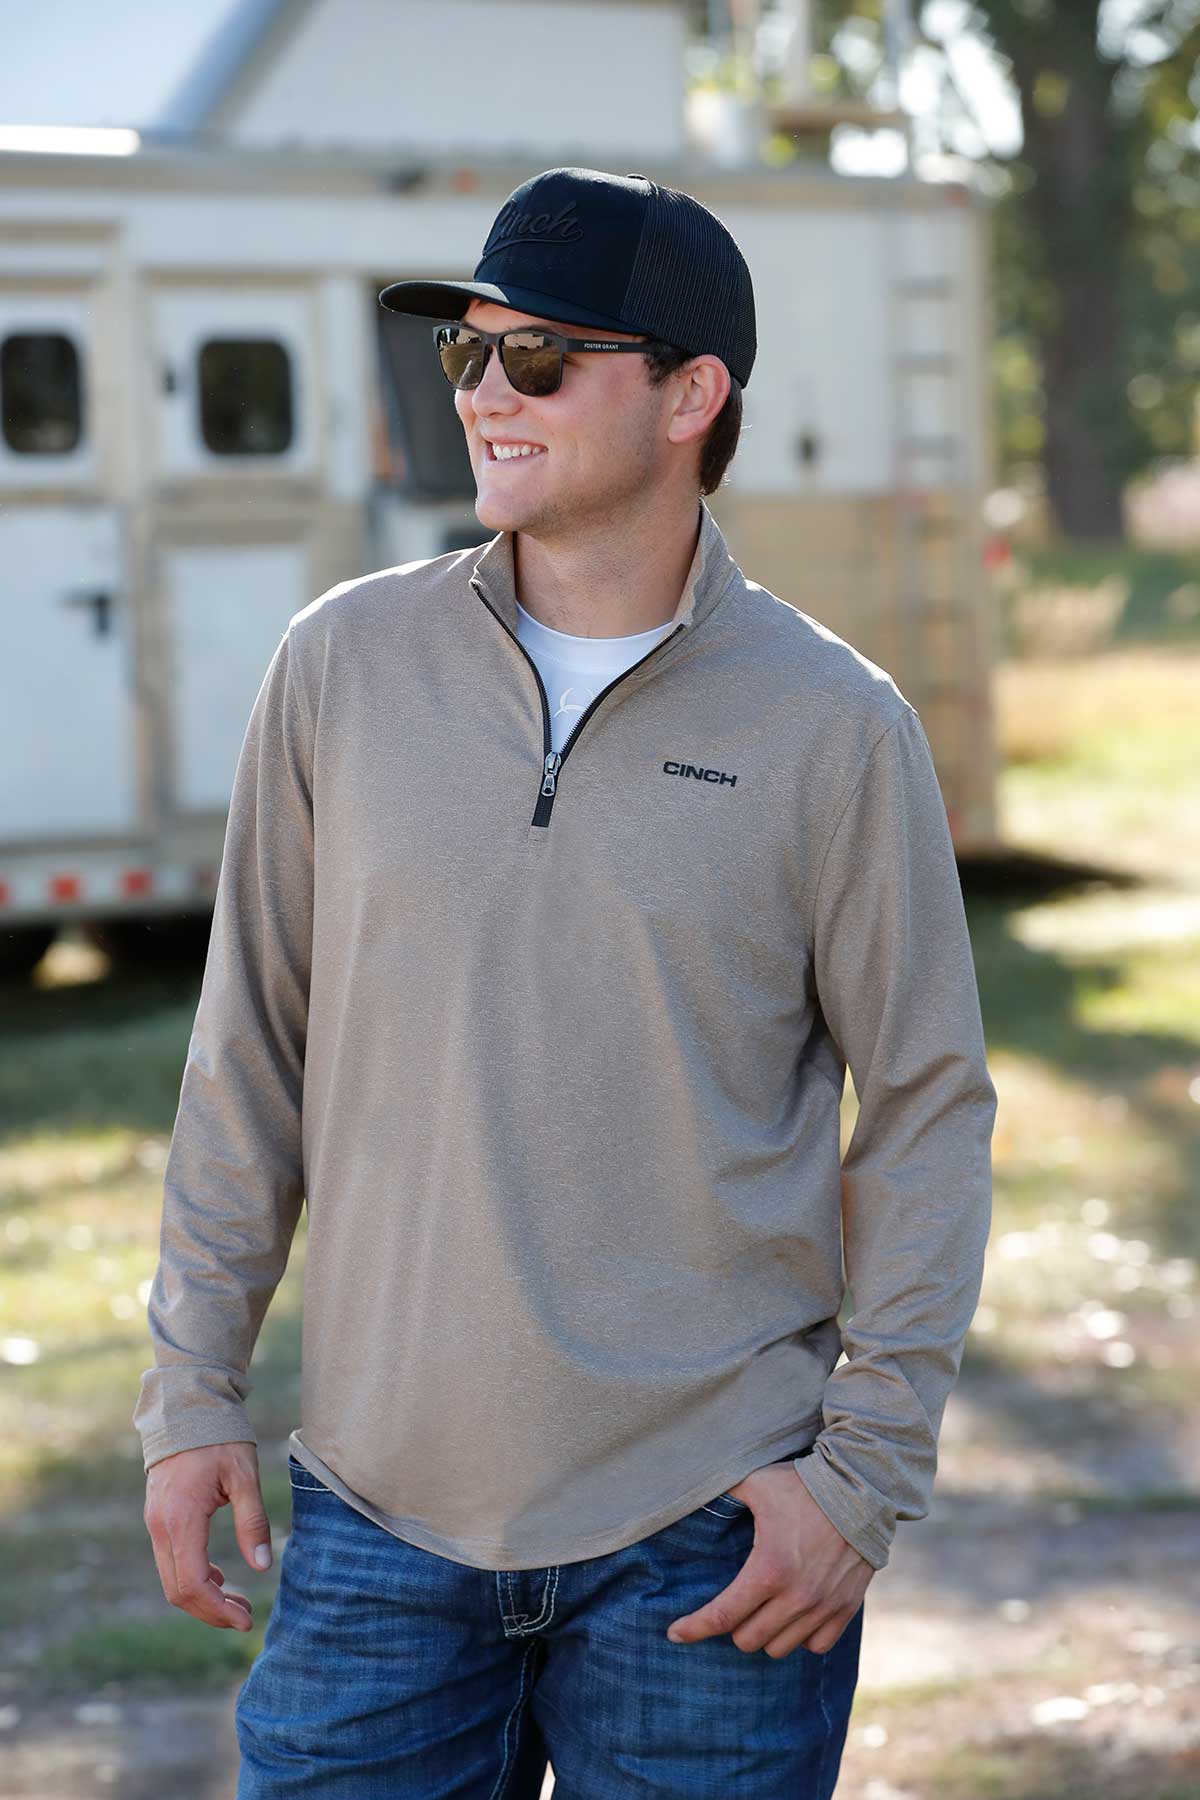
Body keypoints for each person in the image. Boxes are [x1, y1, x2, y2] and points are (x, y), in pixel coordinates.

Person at [135, 166, 997, 1798]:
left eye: (539, 360)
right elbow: (247, 1052)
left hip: (709, 1549)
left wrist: (862, 1482)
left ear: (693, 395)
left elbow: (930, 1110)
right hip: (377, 1530)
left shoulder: (833, 724)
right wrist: (192, 1397)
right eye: (466, 355)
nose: (483, 397)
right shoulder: (342, 668)